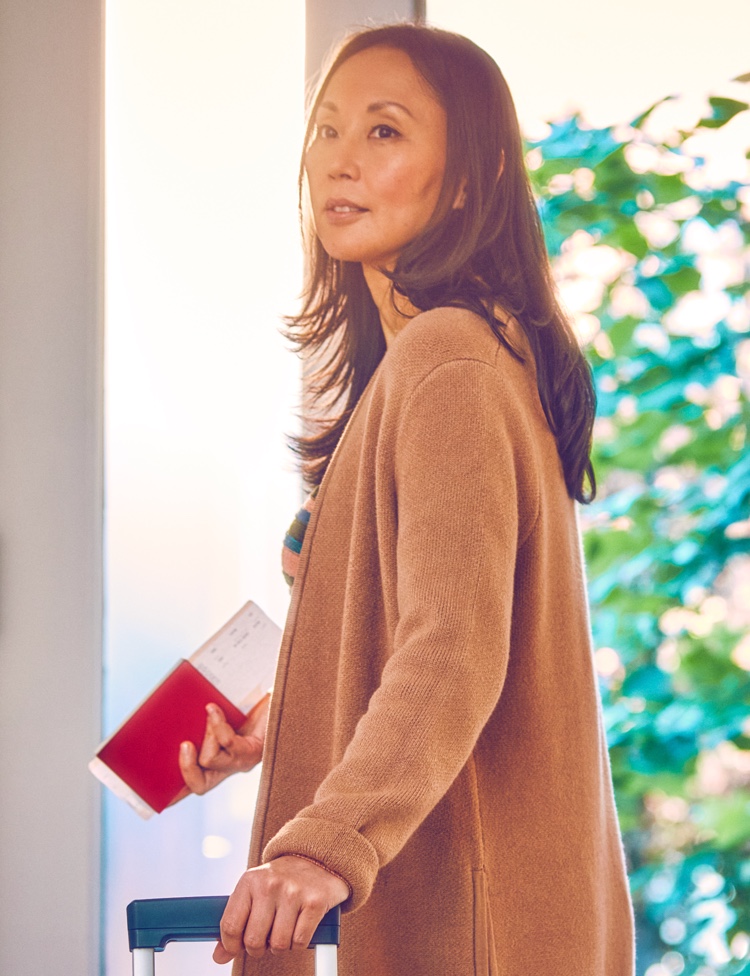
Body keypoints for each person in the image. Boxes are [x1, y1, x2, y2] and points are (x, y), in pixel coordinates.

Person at [178, 22, 636, 975]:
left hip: (467, 930)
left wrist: (323, 843)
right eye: (328, 130)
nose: (341, 163)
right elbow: (433, 625)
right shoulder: (445, 357)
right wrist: (289, 720)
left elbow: (456, 645)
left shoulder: (449, 361)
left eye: (385, 132)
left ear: (470, 175)